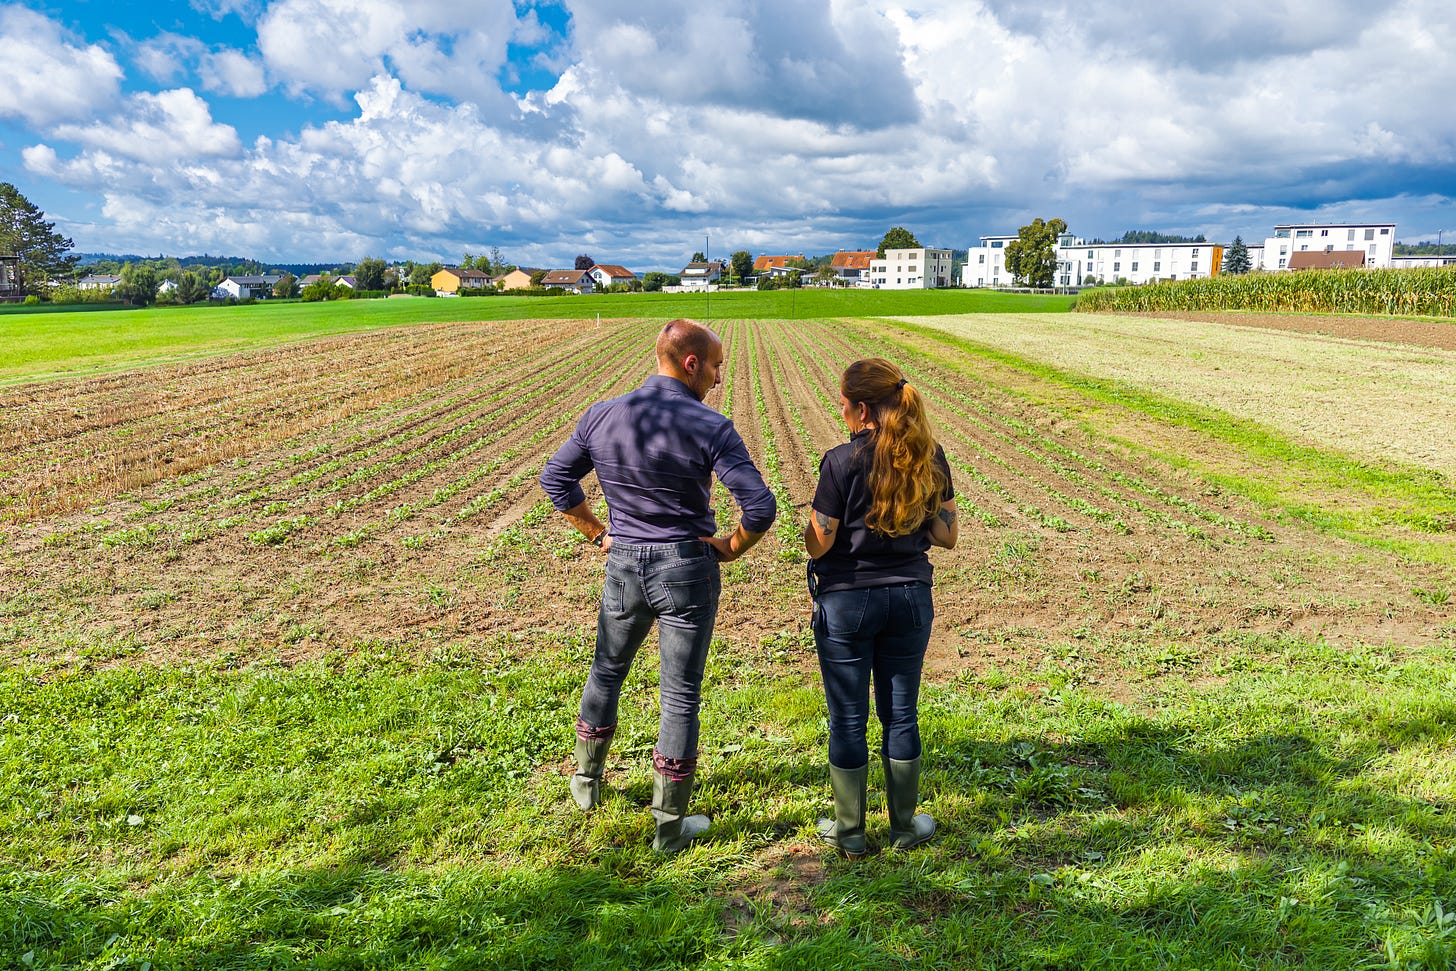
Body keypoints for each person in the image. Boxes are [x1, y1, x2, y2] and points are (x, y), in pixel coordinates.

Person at [540, 319, 777, 853]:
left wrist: (599, 532)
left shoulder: (602, 415)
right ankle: (669, 826)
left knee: (607, 670)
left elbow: (556, 479)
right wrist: (730, 547)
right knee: (680, 696)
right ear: (690, 362)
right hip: (686, 569)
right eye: (715, 366)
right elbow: (760, 507)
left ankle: (585, 783)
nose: (718, 378)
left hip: (623, 563)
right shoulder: (711, 427)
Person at [803, 357, 958, 857]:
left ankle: (849, 833)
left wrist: (812, 527)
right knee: (901, 714)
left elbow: (819, 544)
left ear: (863, 409)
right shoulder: (929, 457)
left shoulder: (840, 462)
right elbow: (947, 536)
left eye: (845, 404)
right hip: (910, 599)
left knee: (847, 719)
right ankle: (905, 826)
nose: (841, 411)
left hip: (847, 603)